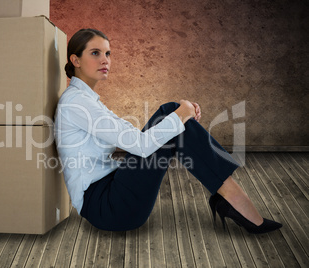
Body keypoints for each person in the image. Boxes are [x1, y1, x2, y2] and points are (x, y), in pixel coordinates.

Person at [54, 28, 282, 233]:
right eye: (95, 53)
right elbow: (141, 146)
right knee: (171, 114)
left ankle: (230, 196)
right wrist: (181, 114)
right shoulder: (77, 103)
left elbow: (132, 137)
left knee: (172, 118)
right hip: (108, 208)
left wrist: (180, 117)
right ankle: (233, 197)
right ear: (76, 59)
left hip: (110, 194)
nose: (105, 60)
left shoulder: (86, 100)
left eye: (108, 53)